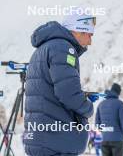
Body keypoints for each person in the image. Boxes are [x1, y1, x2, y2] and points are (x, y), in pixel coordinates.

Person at [24, 10, 98, 156]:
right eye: (89, 35)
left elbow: (51, 91)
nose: (90, 41)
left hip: (41, 137)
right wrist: (88, 108)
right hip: (55, 141)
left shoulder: (44, 49)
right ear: (78, 30)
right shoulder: (64, 49)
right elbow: (68, 94)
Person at [95, 83, 123, 156]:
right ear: (118, 92)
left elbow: (97, 123)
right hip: (117, 139)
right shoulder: (119, 104)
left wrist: (104, 132)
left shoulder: (101, 104)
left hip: (105, 139)